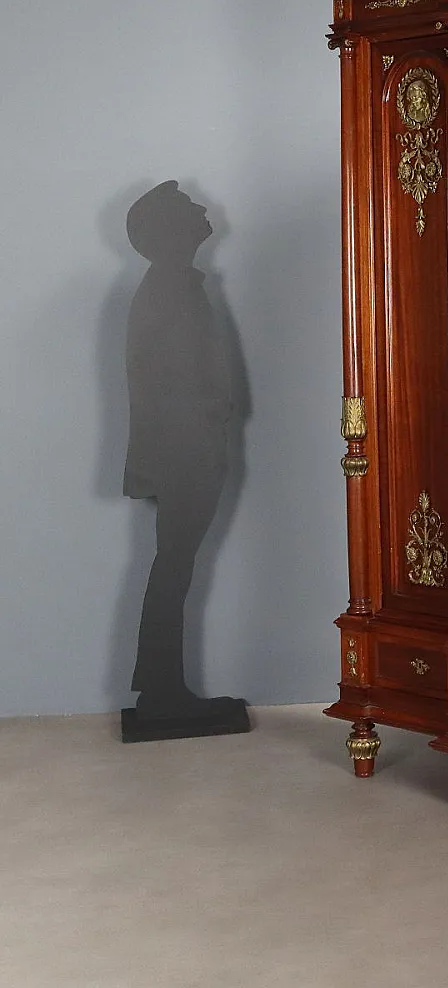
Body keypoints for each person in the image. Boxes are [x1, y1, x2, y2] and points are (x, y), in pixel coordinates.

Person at [123, 181, 245, 729]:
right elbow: (165, 380)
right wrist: (208, 423)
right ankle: (162, 691)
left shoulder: (172, 285)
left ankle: (162, 687)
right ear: (172, 230)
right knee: (173, 566)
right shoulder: (169, 287)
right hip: (185, 454)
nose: (203, 209)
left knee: (173, 565)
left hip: (186, 449)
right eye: (189, 208)